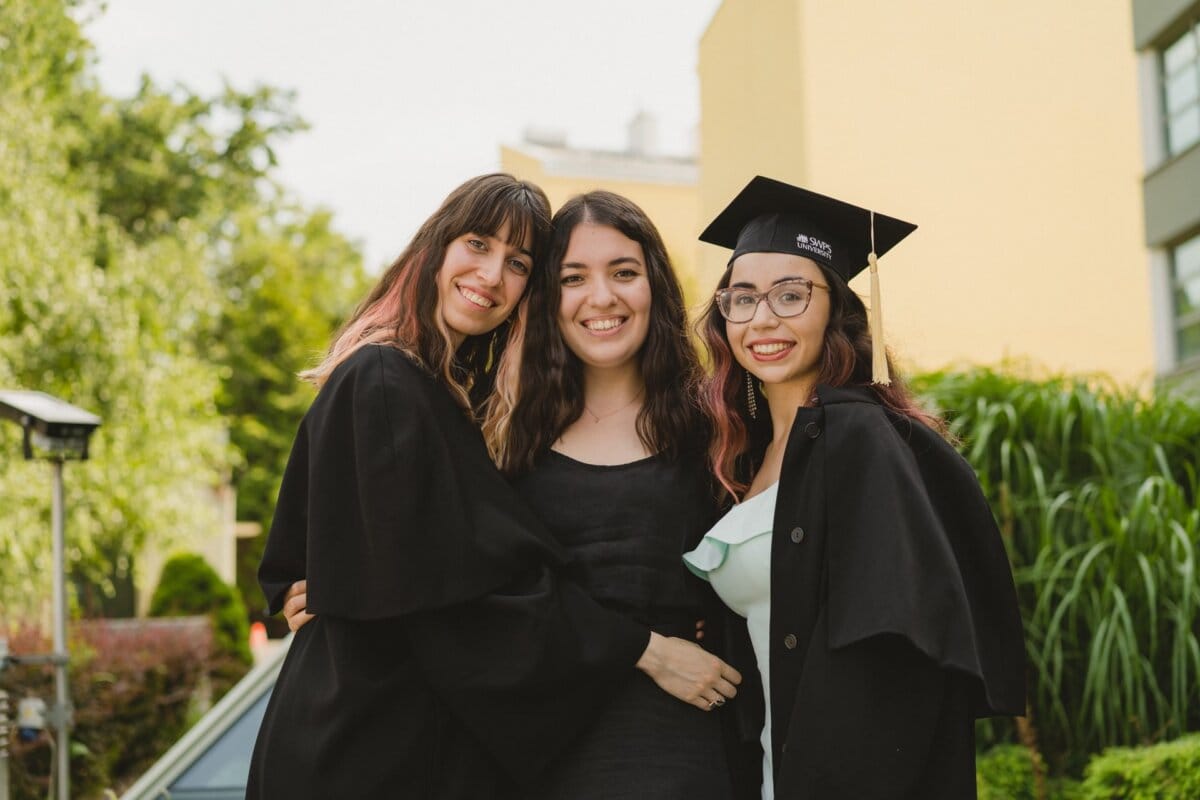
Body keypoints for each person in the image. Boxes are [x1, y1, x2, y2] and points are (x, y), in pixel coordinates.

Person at [247, 173, 741, 800]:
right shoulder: (383, 378)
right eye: (477, 244)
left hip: (453, 737)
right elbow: (458, 586)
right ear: (437, 245)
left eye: (517, 262)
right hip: (366, 738)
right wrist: (643, 646)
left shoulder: (459, 401)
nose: (490, 275)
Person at [683, 176, 1026, 799]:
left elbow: (891, 647)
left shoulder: (860, 437)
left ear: (837, 308)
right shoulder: (745, 456)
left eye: (792, 295)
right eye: (742, 298)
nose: (763, 318)